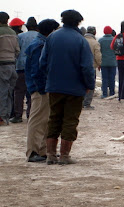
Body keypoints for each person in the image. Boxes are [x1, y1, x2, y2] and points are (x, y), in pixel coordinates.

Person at [40, 10, 95, 165]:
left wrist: (50, 77)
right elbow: (86, 67)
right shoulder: (80, 40)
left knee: (54, 118)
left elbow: (42, 62)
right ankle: (64, 156)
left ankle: (50, 155)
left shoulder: (52, 37)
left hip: (54, 86)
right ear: (78, 22)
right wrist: (89, 85)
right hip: (75, 89)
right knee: (70, 121)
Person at [25, 19, 60, 162]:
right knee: (37, 120)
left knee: (45, 120)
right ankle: (33, 151)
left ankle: (42, 150)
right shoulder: (40, 45)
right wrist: (42, 89)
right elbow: (37, 71)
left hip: (43, 88)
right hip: (40, 89)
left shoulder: (41, 43)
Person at [10, 17, 38, 123]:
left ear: (26, 26)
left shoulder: (20, 36)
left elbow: (16, 51)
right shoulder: (39, 37)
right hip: (34, 68)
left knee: (18, 92)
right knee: (32, 93)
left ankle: (17, 115)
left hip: (21, 67)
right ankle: (30, 115)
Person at [111, 20, 124, 101]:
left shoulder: (117, 36)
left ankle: (120, 95)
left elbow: (112, 46)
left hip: (119, 59)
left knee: (121, 78)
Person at [83, 26, 102, 110]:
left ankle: (80, 102)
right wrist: (99, 64)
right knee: (90, 85)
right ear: (94, 32)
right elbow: (97, 55)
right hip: (91, 67)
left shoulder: (81, 40)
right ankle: (87, 104)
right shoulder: (95, 43)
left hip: (80, 67)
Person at [98, 26, 117, 98]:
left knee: (104, 78)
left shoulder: (100, 40)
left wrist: (99, 63)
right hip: (113, 62)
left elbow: (99, 52)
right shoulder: (114, 39)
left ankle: (104, 93)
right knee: (112, 78)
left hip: (104, 62)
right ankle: (112, 93)